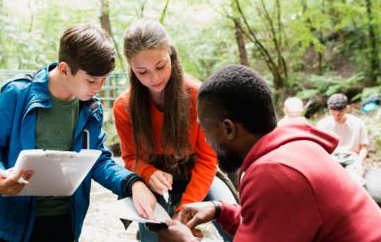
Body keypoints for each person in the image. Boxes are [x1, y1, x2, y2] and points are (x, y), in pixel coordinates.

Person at [150, 65, 381, 242]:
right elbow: (275, 223)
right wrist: (220, 210)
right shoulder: (296, 149)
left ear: (229, 128)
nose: (207, 143)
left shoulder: (274, 173)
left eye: (206, 131)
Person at [0, 25, 156, 242]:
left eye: (104, 79)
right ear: (64, 69)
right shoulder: (17, 93)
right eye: (91, 80)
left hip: (66, 222)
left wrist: (133, 182)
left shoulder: (91, 108)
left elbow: (98, 160)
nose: (100, 87)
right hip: (11, 223)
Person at [113, 20, 237, 242]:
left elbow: (208, 160)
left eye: (160, 66)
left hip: (199, 176)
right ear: (131, 68)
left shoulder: (198, 95)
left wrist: (185, 210)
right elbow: (131, 159)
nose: (154, 78)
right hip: (153, 184)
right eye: (142, 72)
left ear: (171, 54)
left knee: (234, 218)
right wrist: (149, 173)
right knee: (152, 230)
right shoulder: (124, 107)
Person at [316, 93, 369, 185]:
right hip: (331, 157)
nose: (336, 117)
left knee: (357, 181)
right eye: (333, 114)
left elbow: (364, 147)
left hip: (352, 157)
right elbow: (318, 148)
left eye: (340, 114)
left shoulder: (357, 123)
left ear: (347, 109)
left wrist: (359, 163)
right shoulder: (323, 124)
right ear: (329, 110)